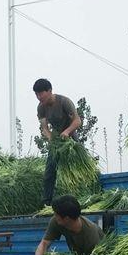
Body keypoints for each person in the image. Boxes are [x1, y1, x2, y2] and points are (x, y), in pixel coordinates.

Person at [33, 78, 82, 206]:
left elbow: (77, 121)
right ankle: (47, 202)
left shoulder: (64, 102)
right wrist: (50, 137)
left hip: (71, 139)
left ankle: (79, 197)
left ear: (49, 91)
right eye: (36, 94)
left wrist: (67, 132)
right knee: (50, 170)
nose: (39, 97)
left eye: (41, 93)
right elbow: (44, 128)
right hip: (56, 141)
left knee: (76, 169)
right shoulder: (41, 108)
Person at [34, 195, 104, 255]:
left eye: (56, 215)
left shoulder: (91, 235)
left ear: (67, 219)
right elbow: (44, 243)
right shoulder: (57, 221)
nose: (54, 216)